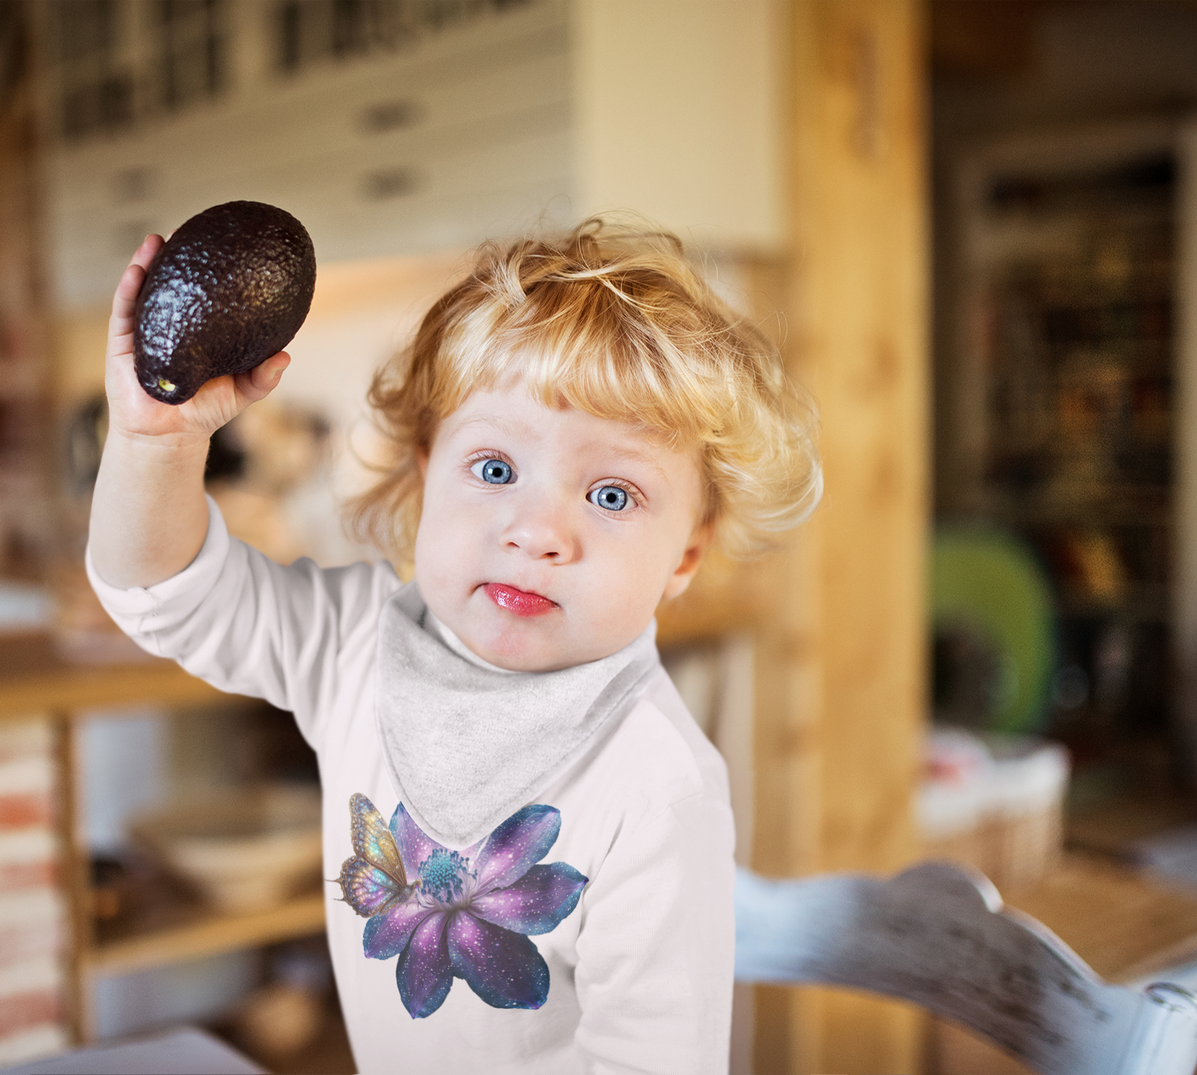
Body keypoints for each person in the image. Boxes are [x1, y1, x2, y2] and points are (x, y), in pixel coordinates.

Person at [87, 217, 822, 1074]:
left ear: (684, 555)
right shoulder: (353, 645)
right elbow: (164, 596)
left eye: (613, 495)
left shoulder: (655, 785)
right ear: (423, 471)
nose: (537, 531)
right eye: (497, 469)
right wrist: (155, 441)